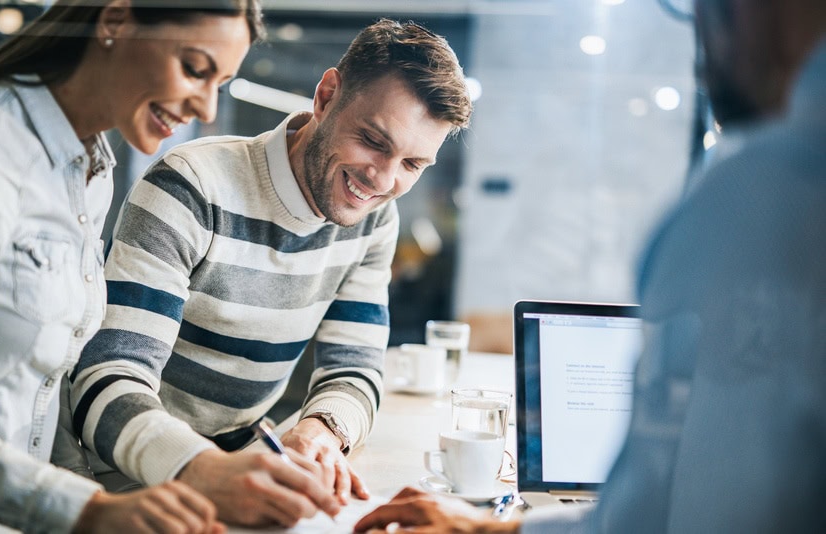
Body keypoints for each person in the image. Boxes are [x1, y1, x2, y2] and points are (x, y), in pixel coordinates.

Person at [353, 0, 826, 532]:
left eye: (708, 9)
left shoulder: (764, 197)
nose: (702, 33)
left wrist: (489, 528)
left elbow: (662, 512)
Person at [68, 18, 473, 528]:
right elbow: (105, 378)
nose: (383, 179)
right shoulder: (192, 186)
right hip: (127, 490)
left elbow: (355, 366)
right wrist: (205, 470)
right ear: (327, 96)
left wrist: (321, 431)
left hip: (242, 474)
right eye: (373, 140)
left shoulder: (374, 218)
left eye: (413, 164)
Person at [0, 0, 263, 532]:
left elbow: (44, 385)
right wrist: (89, 511)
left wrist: (91, 494)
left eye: (220, 82)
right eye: (194, 69)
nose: (207, 108)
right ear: (115, 20)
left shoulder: (93, 168)